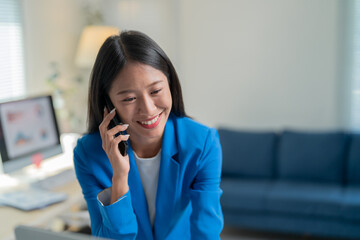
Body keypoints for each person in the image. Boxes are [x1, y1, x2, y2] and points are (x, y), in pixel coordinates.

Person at [73, 30, 223, 240]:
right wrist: (120, 177)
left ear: (170, 84)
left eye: (155, 91)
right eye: (129, 99)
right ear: (108, 104)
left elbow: (206, 232)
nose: (149, 109)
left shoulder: (202, 143)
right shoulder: (88, 154)